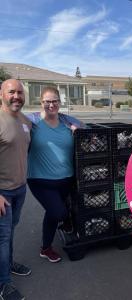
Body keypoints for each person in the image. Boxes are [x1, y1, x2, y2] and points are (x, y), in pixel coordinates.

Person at [26, 86, 84, 263]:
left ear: (60, 102)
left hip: (66, 178)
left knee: (53, 212)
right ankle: (57, 230)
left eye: (54, 101)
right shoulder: (32, 122)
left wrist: (78, 131)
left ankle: (46, 247)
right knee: (58, 212)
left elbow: (89, 133)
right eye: (47, 102)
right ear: (41, 103)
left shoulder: (68, 121)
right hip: (40, 179)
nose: (51, 105)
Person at [0, 79, 31, 300]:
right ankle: (4, 285)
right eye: (11, 92)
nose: (16, 96)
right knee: (3, 236)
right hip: (2, 193)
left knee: (10, 232)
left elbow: (53, 118)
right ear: (1, 94)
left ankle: (8, 264)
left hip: (20, 189)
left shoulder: (25, 121)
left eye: (20, 92)